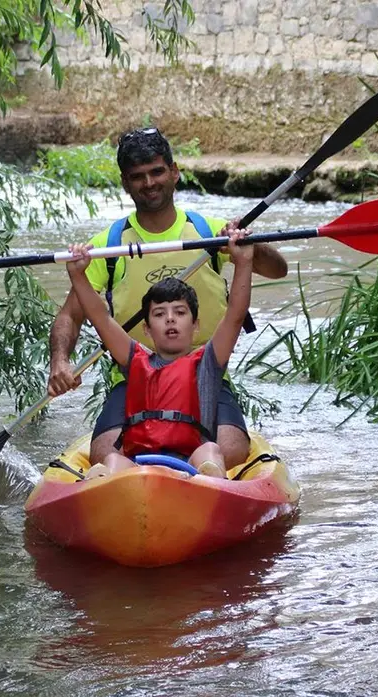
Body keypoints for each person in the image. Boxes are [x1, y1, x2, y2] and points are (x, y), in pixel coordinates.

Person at [47, 127, 288, 468]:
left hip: (206, 372)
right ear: (125, 183)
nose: (149, 183)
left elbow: (278, 270)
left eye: (157, 171)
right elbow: (70, 315)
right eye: (138, 177)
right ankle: (147, 472)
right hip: (135, 375)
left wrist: (245, 247)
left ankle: (193, 468)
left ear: (174, 173)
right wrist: (60, 361)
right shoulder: (109, 245)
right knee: (103, 456)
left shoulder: (208, 231)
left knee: (232, 451)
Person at [63, 226, 254, 478]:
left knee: (210, 449)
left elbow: (235, 315)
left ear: (195, 325)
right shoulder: (134, 360)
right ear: (147, 328)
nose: (170, 320)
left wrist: (244, 261)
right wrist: (78, 276)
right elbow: (100, 317)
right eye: (160, 314)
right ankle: (102, 488)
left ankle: (210, 484)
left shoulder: (208, 361)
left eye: (180, 312)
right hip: (139, 465)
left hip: (192, 462)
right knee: (111, 458)